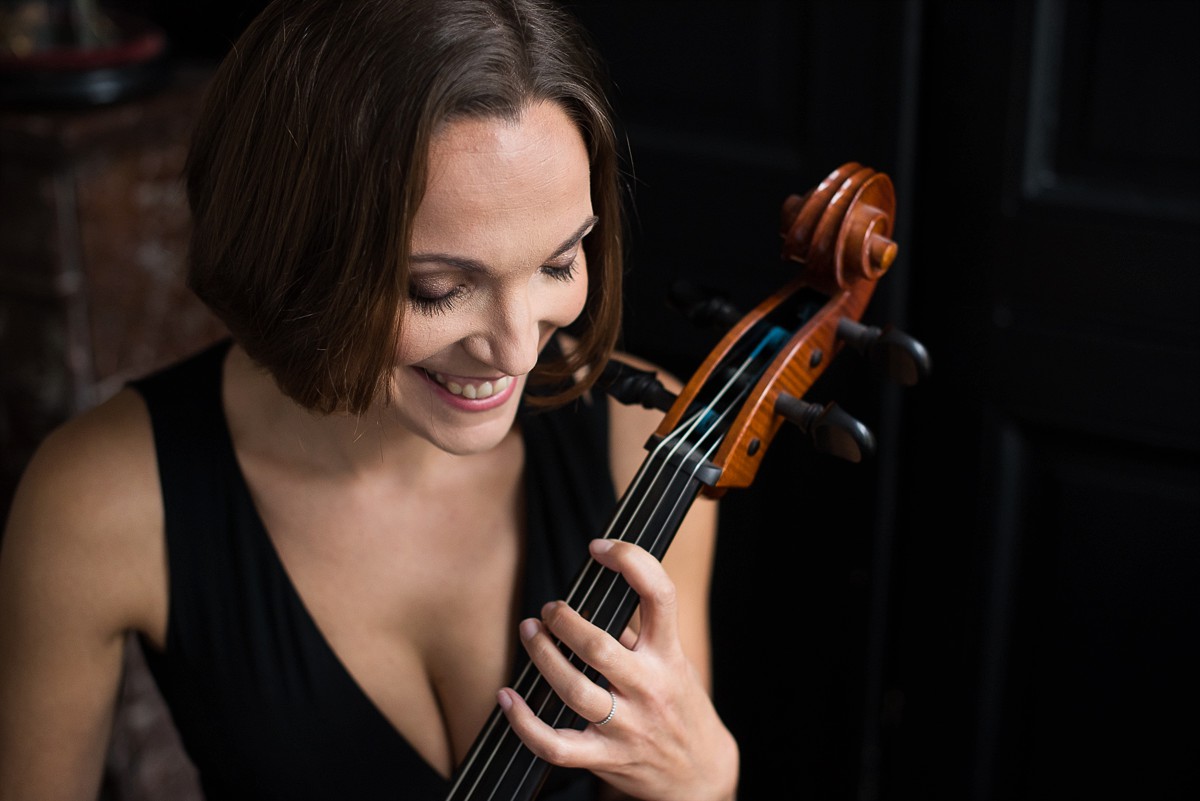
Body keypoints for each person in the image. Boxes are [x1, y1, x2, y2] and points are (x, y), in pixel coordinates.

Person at [0, 1, 739, 799]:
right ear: (295, 251)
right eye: (439, 289)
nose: (520, 349)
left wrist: (702, 775)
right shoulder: (100, 502)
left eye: (558, 264)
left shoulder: (647, 441)